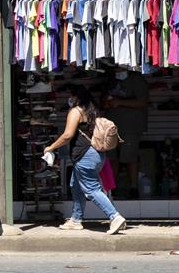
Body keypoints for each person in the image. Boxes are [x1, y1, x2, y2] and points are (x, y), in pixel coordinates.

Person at [45, 86, 127, 235]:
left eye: (71, 96)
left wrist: (51, 147)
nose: (69, 100)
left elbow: (68, 135)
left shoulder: (76, 111)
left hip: (85, 155)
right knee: (75, 186)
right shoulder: (92, 110)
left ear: (76, 97)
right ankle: (75, 220)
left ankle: (114, 216)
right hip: (96, 154)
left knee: (91, 189)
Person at [103, 69, 149, 198]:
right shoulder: (111, 79)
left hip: (131, 126)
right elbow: (103, 100)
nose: (117, 69)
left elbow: (143, 101)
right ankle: (111, 188)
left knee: (130, 157)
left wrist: (120, 102)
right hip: (111, 126)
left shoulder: (137, 80)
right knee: (112, 158)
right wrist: (107, 103)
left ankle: (134, 188)